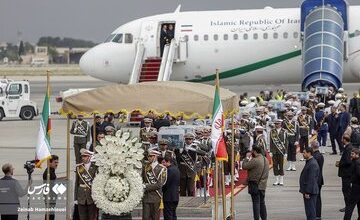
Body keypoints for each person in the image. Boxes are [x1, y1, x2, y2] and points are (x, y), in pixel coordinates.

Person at [242, 146, 269, 220]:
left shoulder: (255, 160)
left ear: (255, 151)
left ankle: (256, 218)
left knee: (256, 203)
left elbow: (244, 166)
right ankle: (264, 218)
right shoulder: (265, 159)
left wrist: (247, 158)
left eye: (252, 151)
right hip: (263, 184)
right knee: (262, 203)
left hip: (255, 184)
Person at [142, 149, 167, 220]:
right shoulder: (145, 167)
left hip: (156, 197)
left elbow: (159, 184)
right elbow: (142, 180)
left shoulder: (162, 168)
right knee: (145, 218)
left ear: (155, 157)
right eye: (148, 156)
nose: (148, 158)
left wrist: (145, 186)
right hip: (146, 197)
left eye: (150, 156)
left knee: (155, 218)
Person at [74, 149, 97, 220]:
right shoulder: (79, 167)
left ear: (89, 157)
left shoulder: (95, 167)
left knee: (92, 216)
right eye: (82, 156)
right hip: (81, 196)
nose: (83, 158)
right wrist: (75, 198)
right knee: (82, 217)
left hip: (91, 196)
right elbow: (76, 183)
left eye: (85, 156)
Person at [299, 147, 320, 220]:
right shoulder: (309, 162)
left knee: (311, 212)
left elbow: (311, 179)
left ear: (309, 153)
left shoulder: (312, 164)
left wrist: (307, 192)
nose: (303, 154)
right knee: (309, 212)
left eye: (304, 153)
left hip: (310, 192)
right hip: (308, 191)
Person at [337, 135, 353, 212]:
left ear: (344, 140)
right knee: (346, 190)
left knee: (346, 190)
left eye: (342, 139)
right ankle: (348, 206)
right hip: (346, 173)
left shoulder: (348, 148)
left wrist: (340, 164)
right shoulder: (348, 147)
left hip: (346, 174)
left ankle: (348, 206)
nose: (341, 140)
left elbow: (348, 161)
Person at [270, 119, 288, 186]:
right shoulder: (272, 131)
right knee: (275, 165)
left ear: (281, 124)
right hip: (274, 151)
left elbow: (286, 142)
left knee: (281, 165)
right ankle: (276, 179)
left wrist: (286, 152)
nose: (276, 125)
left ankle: (281, 180)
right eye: (275, 124)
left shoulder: (284, 131)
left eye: (278, 124)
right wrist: (271, 151)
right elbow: (271, 142)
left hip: (281, 150)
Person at [343, 148, 360, 220]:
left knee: (350, 205)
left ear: (357, 154)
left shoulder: (357, 162)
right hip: (357, 186)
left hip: (356, 187)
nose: (351, 155)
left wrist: (353, 179)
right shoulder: (355, 161)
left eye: (353, 154)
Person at [162, 155, 180, 220]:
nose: (162, 164)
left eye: (164, 162)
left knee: (168, 216)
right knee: (173, 215)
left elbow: (166, 184)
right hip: (175, 196)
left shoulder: (168, 170)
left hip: (168, 197)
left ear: (168, 162)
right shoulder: (176, 169)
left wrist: (161, 190)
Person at [310, 141, 324, 220]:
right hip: (319, 179)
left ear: (312, 147)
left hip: (316, 180)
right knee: (318, 197)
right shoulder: (320, 155)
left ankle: (317, 214)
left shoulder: (315, 157)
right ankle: (317, 214)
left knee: (316, 198)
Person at [42, 155, 59, 220]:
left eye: (57, 162)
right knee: (50, 213)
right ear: (49, 163)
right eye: (55, 162)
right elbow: (52, 185)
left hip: (51, 195)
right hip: (49, 195)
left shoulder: (52, 170)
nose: (57, 164)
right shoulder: (48, 173)